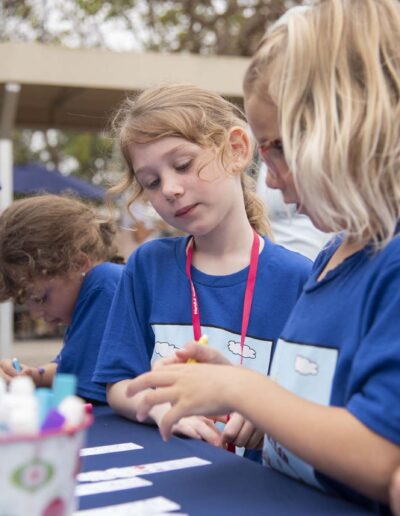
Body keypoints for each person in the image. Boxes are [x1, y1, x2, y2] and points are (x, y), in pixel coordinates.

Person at [125, 0, 400, 511]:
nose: (268, 179)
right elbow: (321, 407)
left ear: (351, 125)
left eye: (278, 147)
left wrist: (243, 391)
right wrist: (248, 392)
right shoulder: (331, 258)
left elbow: (383, 456)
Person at [93, 83, 311, 448]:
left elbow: (314, 404)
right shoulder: (148, 266)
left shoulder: (299, 278)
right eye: (152, 182)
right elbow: (118, 384)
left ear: (236, 150)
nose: (170, 189)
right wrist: (158, 407)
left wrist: (269, 412)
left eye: (183, 165)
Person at [0, 194, 124, 404]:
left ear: (78, 264)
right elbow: (72, 370)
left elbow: (87, 394)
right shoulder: (92, 290)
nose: (35, 314)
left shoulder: (104, 283)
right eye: (26, 301)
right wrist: (33, 375)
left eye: (41, 298)